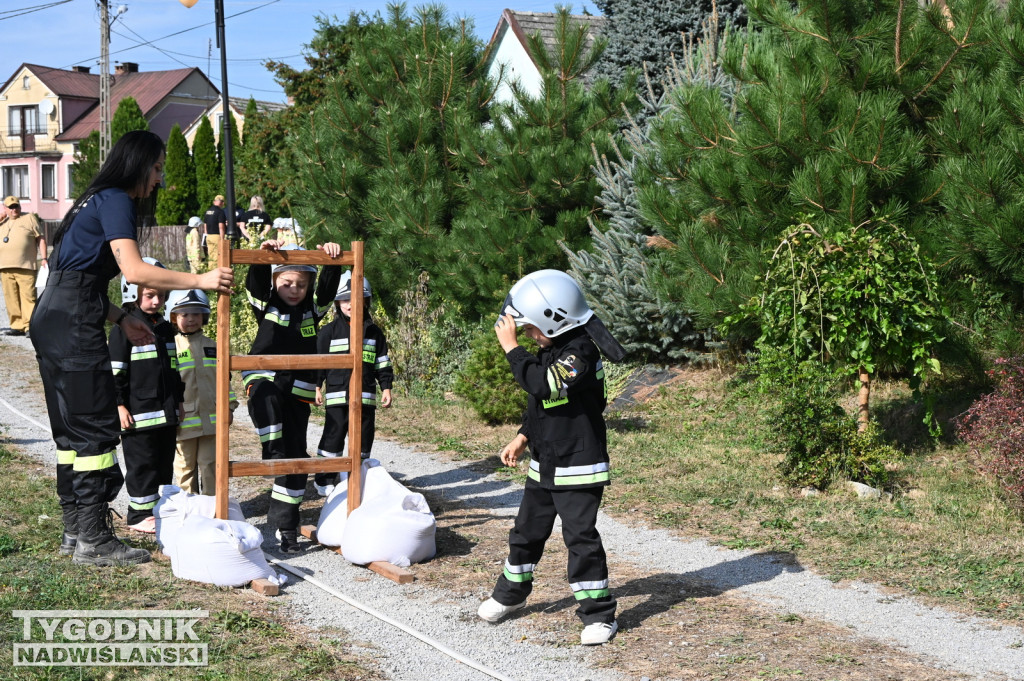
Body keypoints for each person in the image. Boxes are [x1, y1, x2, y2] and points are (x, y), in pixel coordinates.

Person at [30, 129, 233, 568]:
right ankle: (94, 538)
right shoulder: (117, 199)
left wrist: (122, 317)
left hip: (53, 316)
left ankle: (75, 528)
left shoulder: (91, 199)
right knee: (96, 432)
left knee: (70, 432)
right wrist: (200, 280)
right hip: (74, 325)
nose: (159, 178)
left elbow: (75, 278)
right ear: (138, 164)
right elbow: (136, 270)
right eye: (157, 168)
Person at [477, 270, 627, 646]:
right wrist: (523, 436)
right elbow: (543, 403)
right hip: (545, 463)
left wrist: (512, 349)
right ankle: (511, 594)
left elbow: (545, 384)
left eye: (530, 328)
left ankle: (598, 615)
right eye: (523, 331)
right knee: (526, 532)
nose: (527, 335)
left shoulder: (580, 352)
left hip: (579, 464)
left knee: (580, 538)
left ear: (553, 318)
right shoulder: (553, 348)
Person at [243, 239, 341, 552]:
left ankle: (287, 527)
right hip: (265, 378)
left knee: (297, 459)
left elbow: (327, 289)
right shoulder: (266, 305)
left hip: (298, 390)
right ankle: (271, 450)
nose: (294, 289)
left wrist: (331, 260)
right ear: (275, 282)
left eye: (301, 284)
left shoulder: (313, 309)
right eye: (286, 283)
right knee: (267, 401)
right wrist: (262, 255)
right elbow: (255, 283)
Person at [109, 258, 183, 534]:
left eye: (161, 296)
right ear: (132, 292)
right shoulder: (124, 329)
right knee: (142, 465)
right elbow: (115, 372)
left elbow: (173, 370)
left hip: (165, 413)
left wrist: (179, 401)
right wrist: (119, 405)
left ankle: (158, 510)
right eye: (150, 295)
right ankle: (138, 514)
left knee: (164, 463)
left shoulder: (165, 328)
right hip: (137, 415)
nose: (157, 301)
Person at [312, 272, 393, 496]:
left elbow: (382, 362)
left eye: (357, 299)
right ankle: (325, 479)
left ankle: (357, 478)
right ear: (338, 302)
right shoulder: (328, 332)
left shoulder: (374, 332)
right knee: (333, 438)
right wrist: (316, 386)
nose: (351, 304)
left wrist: (386, 387)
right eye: (345, 299)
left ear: (366, 301)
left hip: (365, 398)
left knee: (363, 440)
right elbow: (319, 363)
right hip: (337, 399)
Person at [167, 288, 237, 495]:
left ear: (204, 316)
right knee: (185, 468)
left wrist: (230, 406)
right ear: (173, 316)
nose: (191, 319)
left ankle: (211, 507)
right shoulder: (171, 347)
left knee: (210, 466)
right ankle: (189, 509)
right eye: (184, 314)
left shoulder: (215, 347)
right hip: (184, 421)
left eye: (196, 314)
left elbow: (224, 381)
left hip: (213, 421)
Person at [0, 195, 47, 336]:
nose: (15, 209)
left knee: (28, 297)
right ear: (5, 209)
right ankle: (17, 326)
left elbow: (41, 238)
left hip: (26, 265)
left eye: (16, 206)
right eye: (11, 207)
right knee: (10, 298)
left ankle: (29, 327)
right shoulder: (3, 222)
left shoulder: (29, 218)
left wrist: (44, 258)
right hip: (5, 266)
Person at [203, 194, 227, 269]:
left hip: (208, 236)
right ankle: (216, 272)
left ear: (214, 202)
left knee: (211, 256)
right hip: (216, 236)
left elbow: (205, 225)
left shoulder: (208, 211)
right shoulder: (220, 212)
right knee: (217, 256)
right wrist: (222, 238)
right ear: (222, 203)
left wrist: (206, 235)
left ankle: (210, 271)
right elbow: (221, 226)